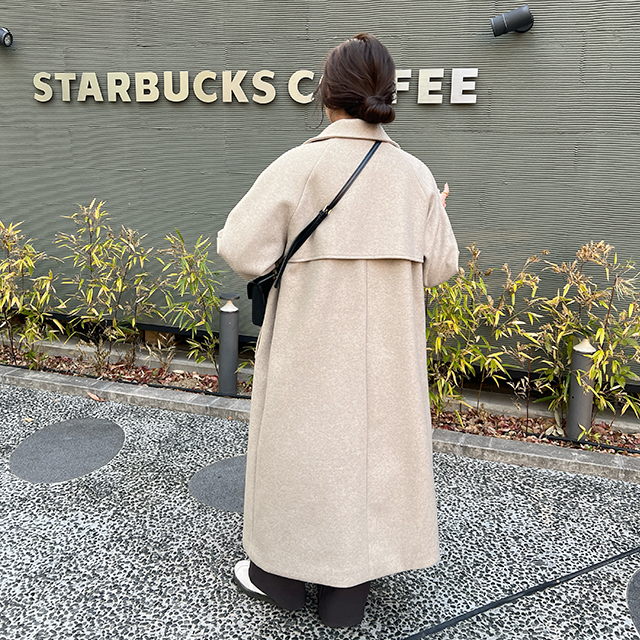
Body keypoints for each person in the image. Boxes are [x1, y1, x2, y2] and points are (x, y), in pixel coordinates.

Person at [217, 33, 458, 628]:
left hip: (311, 346)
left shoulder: (301, 165)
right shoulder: (415, 176)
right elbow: (441, 268)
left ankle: (279, 576)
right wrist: (435, 209)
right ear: (387, 95)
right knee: (373, 454)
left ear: (327, 94)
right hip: (389, 357)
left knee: (301, 451)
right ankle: (346, 595)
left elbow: (240, 250)